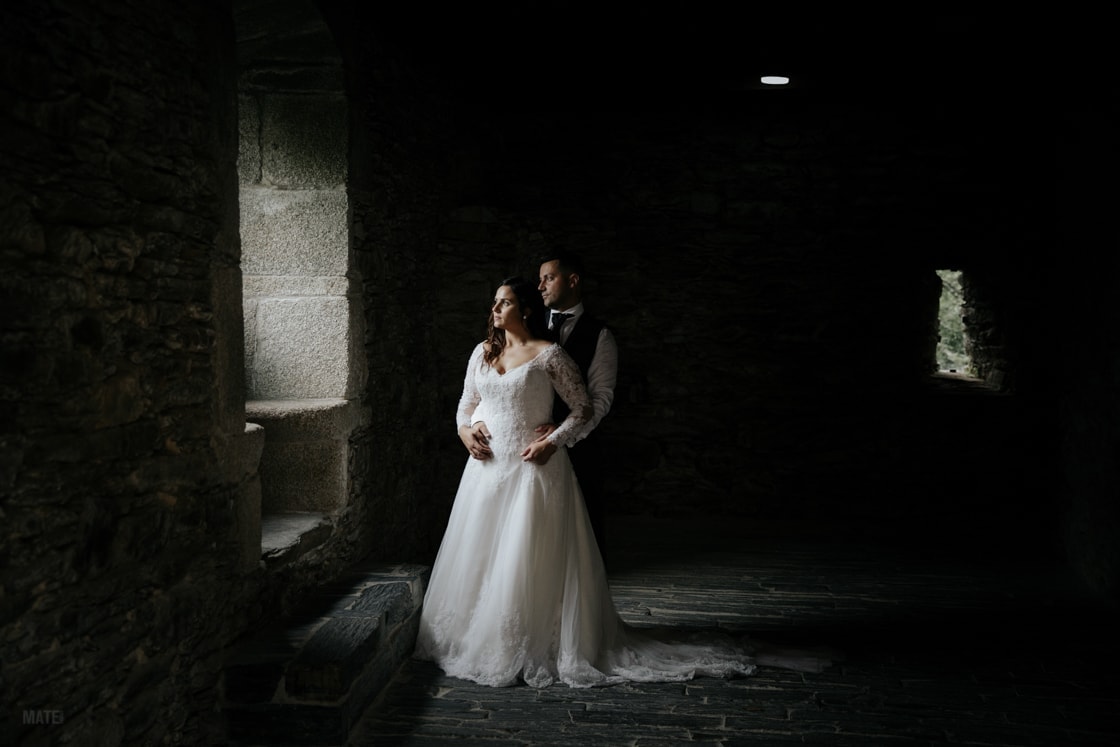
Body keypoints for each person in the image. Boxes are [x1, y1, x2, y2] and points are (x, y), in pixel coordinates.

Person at [414, 277, 831, 689]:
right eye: (494, 303)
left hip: (532, 470)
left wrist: (554, 442)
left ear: (524, 309)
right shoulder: (482, 353)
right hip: (485, 473)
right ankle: (471, 635)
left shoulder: (549, 355)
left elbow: (583, 408)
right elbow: (466, 406)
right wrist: (466, 432)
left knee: (523, 556)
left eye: (503, 303)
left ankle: (524, 641)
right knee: (481, 553)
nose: (494, 310)